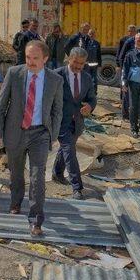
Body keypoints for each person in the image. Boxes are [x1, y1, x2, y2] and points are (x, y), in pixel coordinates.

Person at [0, 41, 64, 236]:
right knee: (16, 173)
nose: (30, 62)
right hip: (15, 131)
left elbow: (58, 110)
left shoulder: (55, 80)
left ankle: (36, 219)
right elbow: (1, 104)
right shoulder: (15, 74)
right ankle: (15, 201)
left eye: (35, 58)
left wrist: (52, 135)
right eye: (28, 58)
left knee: (37, 176)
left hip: (40, 134)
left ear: (45, 59)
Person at [52, 47, 97, 200]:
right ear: (69, 59)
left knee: (66, 148)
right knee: (70, 151)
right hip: (60, 121)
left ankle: (57, 173)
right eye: (75, 62)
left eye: (82, 64)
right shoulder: (56, 75)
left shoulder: (86, 78)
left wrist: (90, 106)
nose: (78, 66)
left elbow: (92, 98)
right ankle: (77, 188)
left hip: (77, 121)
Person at [118, 27, 140, 120]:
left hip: (138, 72)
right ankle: (125, 115)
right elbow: (121, 56)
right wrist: (123, 70)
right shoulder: (128, 42)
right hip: (128, 70)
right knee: (126, 94)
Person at [116, 25, 136, 120]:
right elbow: (120, 53)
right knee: (124, 88)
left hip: (135, 69)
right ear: (127, 31)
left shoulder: (138, 40)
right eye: (130, 31)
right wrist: (119, 65)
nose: (131, 32)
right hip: (125, 67)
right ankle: (124, 111)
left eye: (133, 31)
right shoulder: (124, 40)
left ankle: (131, 110)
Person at [86, 29, 102, 95]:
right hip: (86, 65)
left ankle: (94, 93)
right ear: (88, 34)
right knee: (86, 79)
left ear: (95, 35)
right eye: (90, 34)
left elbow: (99, 54)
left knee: (94, 80)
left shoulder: (97, 43)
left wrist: (100, 64)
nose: (91, 35)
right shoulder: (85, 43)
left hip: (94, 65)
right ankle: (86, 92)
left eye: (93, 34)